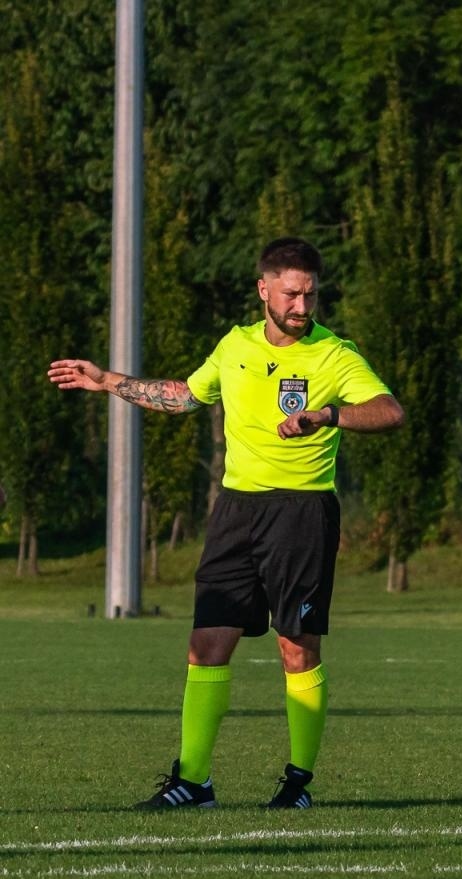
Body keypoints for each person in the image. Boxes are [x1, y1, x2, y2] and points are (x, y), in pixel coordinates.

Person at [48, 237, 405, 810]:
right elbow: (186, 396)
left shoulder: (336, 355)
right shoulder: (234, 345)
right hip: (237, 512)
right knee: (206, 643)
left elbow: (390, 411)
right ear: (264, 289)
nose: (302, 307)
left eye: (311, 295)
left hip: (302, 512)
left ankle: (297, 785)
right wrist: (107, 381)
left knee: (297, 648)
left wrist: (328, 415)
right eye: (291, 294)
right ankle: (193, 781)